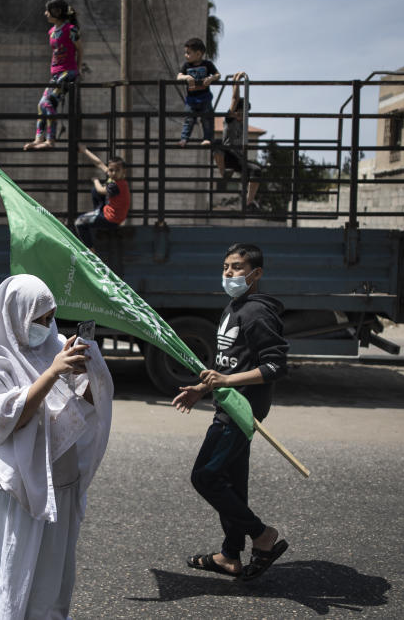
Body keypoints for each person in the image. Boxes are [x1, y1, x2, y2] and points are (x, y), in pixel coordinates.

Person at [0, 274, 113, 618]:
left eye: (51, 318)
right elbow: (7, 419)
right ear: (14, 315)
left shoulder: (58, 345)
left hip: (60, 485)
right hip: (17, 490)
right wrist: (51, 374)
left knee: (51, 583)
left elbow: (89, 407)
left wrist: (91, 371)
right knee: (9, 578)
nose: (47, 327)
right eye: (39, 320)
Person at [171, 243, 289, 581]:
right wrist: (204, 387)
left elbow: (275, 365)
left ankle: (262, 535)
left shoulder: (257, 312)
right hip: (228, 404)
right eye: (225, 267)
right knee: (232, 484)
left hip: (240, 410)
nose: (228, 273)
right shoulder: (234, 307)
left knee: (205, 476)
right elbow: (228, 362)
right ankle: (230, 556)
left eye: (237, 267)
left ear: (256, 273)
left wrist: (227, 380)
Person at [24, 0, 83, 151]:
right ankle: (39, 138)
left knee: (48, 103)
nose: (45, 14)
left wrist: (78, 68)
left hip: (67, 72)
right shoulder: (51, 32)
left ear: (56, 12)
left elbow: (79, 49)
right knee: (41, 104)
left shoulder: (70, 29)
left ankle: (50, 140)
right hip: (55, 74)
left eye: (48, 11)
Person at [214, 73, 262, 209]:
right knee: (217, 143)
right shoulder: (229, 119)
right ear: (235, 111)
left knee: (257, 170)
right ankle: (223, 172)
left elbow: (242, 103)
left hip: (239, 159)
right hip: (227, 155)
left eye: (244, 114)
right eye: (240, 113)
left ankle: (249, 201)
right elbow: (235, 99)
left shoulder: (243, 123)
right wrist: (236, 81)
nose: (241, 116)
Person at [73, 143, 130, 248]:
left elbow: (100, 190)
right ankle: (97, 212)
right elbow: (99, 163)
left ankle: (91, 249)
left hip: (111, 220)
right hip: (111, 212)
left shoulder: (117, 185)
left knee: (79, 222)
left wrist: (95, 180)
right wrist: (85, 150)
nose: (113, 173)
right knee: (95, 190)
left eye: (117, 170)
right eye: (111, 170)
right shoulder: (117, 178)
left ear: (124, 172)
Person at [176, 38, 220, 147]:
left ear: (198, 54)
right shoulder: (187, 66)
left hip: (205, 98)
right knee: (188, 119)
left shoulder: (207, 64)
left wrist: (211, 79)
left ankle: (207, 139)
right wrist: (186, 77)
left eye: (188, 53)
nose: (186, 55)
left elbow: (218, 75)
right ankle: (184, 139)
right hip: (191, 100)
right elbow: (178, 77)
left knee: (206, 119)